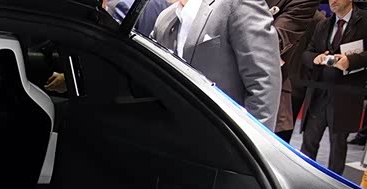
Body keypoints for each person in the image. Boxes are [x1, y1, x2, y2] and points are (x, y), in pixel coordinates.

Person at [152, 0, 282, 130]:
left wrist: (253, 138)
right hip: (176, 135)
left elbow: (264, 81)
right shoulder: (165, 18)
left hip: (227, 134)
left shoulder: (238, 4)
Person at [300, 0, 367, 175]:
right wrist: (315, 58)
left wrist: (351, 61)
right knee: (308, 142)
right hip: (319, 93)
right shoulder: (323, 24)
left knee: (338, 147)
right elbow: (306, 53)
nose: (332, 1)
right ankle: (302, 178)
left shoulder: (364, 22)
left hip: (346, 95)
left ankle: (334, 184)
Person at [268, 0, 321, 142]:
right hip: (290, 79)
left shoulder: (317, 19)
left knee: (281, 131)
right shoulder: (317, 18)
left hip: (292, 80)